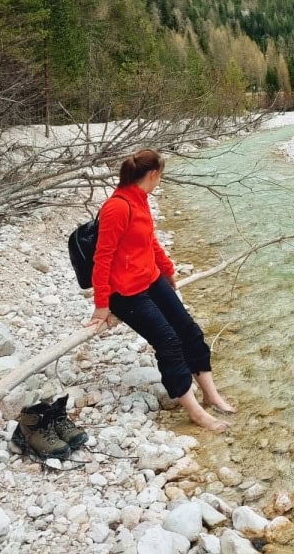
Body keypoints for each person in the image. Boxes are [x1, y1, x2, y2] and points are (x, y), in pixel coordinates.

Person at [86, 149, 235, 433]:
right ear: (153, 175)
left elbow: (148, 241)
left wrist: (166, 270)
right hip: (125, 292)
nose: (160, 181)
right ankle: (194, 412)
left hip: (150, 278)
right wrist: (102, 305)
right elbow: (102, 258)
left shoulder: (140, 199)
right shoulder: (117, 207)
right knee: (168, 342)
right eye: (160, 177)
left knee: (189, 330)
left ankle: (210, 394)